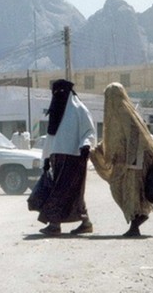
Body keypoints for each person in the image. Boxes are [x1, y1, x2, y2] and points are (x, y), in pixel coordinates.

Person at [90, 83, 153, 237]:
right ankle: (137, 221)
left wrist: (129, 159)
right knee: (122, 192)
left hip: (133, 162)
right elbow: (112, 139)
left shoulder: (125, 113)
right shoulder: (115, 115)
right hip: (125, 162)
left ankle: (135, 224)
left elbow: (137, 136)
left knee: (131, 194)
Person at [36, 79, 96, 236]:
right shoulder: (56, 111)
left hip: (74, 157)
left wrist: (86, 145)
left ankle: (54, 224)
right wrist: (47, 159)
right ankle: (85, 222)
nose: (57, 96)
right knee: (73, 193)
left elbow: (89, 131)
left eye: (60, 93)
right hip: (57, 158)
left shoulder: (79, 110)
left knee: (60, 191)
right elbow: (51, 136)